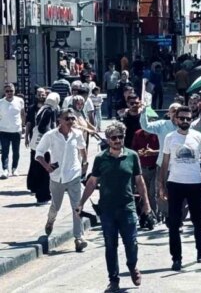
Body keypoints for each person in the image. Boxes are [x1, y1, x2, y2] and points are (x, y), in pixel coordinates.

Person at [77, 121, 150, 293]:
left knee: (131, 242)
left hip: (127, 207)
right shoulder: (101, 158)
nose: (118, 140)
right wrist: (81, 202)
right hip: (107, 209)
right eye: (114, 138)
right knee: (111, 246)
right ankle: (113, 280)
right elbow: (92, 182)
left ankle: (132, 266)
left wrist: (146, 204)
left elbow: (139, 181)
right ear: (108, 140)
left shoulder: (132, 156)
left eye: (120, 137)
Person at [159, 106, 201, 270]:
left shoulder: (197, 136)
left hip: (195, 183)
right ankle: (176, 258)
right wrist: (161, 186)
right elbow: (165, 163)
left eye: (188, 118)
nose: (184, 121)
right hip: (175, 184)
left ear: (191, 120)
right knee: (174, 223)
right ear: (176, 119)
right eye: (181, 118)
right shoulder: (170, 137)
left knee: (198, 221)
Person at [35, 108, 89, 252]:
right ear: (59, 120)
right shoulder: (51, 136)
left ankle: (79, 238)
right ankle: (50, 220)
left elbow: (82, 148)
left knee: (77, 207)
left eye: (72, 119)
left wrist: (85, 162)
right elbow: (38, 153)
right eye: (67, 119)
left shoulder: (77, 134)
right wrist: (46, 166)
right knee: (56, 206)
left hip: (74, 175)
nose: (71, 121)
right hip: (57, 177)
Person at [27, 92, 59, 204]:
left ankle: (40, 194)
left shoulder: (43, 109)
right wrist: (52, 134)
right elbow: (42, 127)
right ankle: (44, 196)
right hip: (44, 145)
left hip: (36, 144)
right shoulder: (49, 111)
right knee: (44, 171)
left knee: (38, 169)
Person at [0, 83, 26, 177]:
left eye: (11, 91)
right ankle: (5, 169)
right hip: (3, 130)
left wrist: (23, 126)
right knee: (5, 151)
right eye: (7, 91)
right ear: (4, 92)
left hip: (16, 130)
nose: (9, 93)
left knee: (16, 151)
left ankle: (14, 168)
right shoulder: (1, 103)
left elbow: (22, 114)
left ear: (14, 91)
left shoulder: (20, 101)